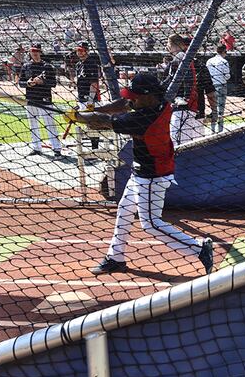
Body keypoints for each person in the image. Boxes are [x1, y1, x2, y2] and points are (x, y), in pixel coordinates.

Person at [66, 73, 214, 276]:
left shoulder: (143, 119)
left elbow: (104, 122)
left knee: (151, 224)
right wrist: (93, 108)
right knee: (124, 211)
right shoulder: (158, 102)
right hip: (142, 171)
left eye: (136, 95)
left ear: (148, 95)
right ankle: (115, 257)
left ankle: (199, 249)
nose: (132, 99)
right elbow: (124, 103)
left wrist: (80, 117)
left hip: (152, 175)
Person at [19, 43, 62, 157]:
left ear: (40, 52)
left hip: (45, 99)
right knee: (33, 124)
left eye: (37, 51)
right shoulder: (26, 66)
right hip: (31, 99)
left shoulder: (47, 67)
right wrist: (28, 83)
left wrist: (42, 82)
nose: (35, 53)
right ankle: (36, 147)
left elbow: (53, 83)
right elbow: (20, 83)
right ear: (30, 52)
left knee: (50, 124)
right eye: (33, 51)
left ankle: (56, 148)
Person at [165, 33, 203, 145]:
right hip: (186, 108)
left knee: (177, 144)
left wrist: (185, 99)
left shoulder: (180, 57)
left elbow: (188, 79)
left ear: (173, 45)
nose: (167, 47)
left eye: (168, 44)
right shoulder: (182, 57)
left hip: (182, 108)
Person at [74, 41, 102, 149]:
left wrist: (90, 99)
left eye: (81, 51)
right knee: (86, 122)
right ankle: (92, 145)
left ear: (86, 51)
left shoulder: (91, 63)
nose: (79, 53)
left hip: (90, 98)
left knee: (93, 122)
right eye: (78, 51)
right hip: (81, 97)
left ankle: (95, 147)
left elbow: (94, 83)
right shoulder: (78, 65)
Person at [206, 44, 231, 133]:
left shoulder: (209, 61)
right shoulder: (224, 61)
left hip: (210, 87)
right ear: (224, 51)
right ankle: (220, 131)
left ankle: (212, 130)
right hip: (221, 85)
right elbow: (227, 76)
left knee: (213, 109)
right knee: (221, 110)